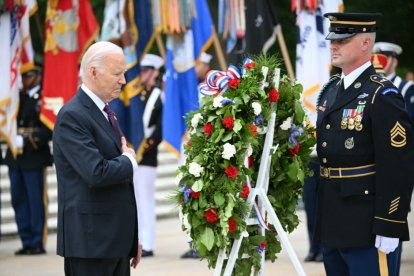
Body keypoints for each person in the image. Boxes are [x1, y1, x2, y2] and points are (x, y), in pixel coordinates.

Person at [315, 13, 414, 276]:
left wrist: (390, 222)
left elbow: (398, 165)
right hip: (333, 218)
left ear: (365, 44)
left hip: (367, 223)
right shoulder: (331, 89)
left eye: (343, 39)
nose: (333, 45)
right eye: (333, 39)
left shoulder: (382, 94)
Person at [53, 41, 142, 275]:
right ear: (93, 72)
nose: (123, 80)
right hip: (90, 245)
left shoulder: (104, 111)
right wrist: (130, 161)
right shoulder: (73, 116)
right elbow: (96, 172)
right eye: (117, 73)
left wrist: (130, 238)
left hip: (114, 242)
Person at [3, 66, 53, 255]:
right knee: (18, 199)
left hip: (34, 155)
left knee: (35, 200)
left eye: (27, 75)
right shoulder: (16, 97)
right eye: (22, 75)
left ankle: (36, 241)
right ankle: (26, 239)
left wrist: (25, 138)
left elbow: (49, 128)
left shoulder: (45, 97)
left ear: (38, 76)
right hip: (15, 157)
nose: (23, 79)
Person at [180, 52, 213, 259]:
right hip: (191, 149)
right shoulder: (189, 89)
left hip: (204, 150)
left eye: (198, 64)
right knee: (189, 197)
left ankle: (203, 243)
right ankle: (194, 241)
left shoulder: (208, 88)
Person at [134, 53, 164, 257]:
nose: (142, 74)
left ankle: (148, 243)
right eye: (141, 70)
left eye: (146, 70)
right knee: (136, 201)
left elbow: (159, 130)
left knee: (144, 201)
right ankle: (138, 240)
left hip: (147, 156)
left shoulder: (159, 96)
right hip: (134, 155)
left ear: (155, 72)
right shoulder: (138, 95)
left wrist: (143, 148)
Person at [373, 42, 414, 122]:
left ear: (394, 62)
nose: (380, 62)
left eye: (385, 58)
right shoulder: (368, 85)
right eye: (378, 58)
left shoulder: (406, 87)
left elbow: (409, 120)